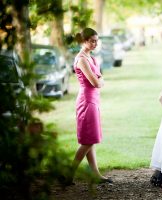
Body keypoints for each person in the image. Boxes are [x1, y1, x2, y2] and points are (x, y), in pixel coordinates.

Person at [68, 27, 112, 184]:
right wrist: (101, 81)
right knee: (88, 140)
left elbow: (98, 79)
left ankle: (96, 174)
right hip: (86, 101)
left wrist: (100, 80)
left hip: (94, 100)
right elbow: (96, 82)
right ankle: (69, 173)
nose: (95, 43)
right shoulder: (81, 59)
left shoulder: (92, 58)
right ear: (84, 41)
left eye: (96, 41)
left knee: (90, 139)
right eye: (92, 41)